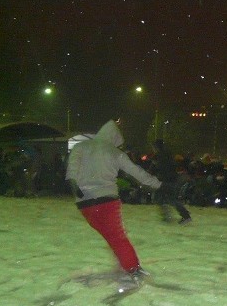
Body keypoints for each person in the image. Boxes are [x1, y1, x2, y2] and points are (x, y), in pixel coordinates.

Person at [65, 120, 162, 282]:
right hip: (107, 201)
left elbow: (72, 168)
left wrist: (73, 182)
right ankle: (133, 268)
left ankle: (124, 264)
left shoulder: (80, 147)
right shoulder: (115, 153)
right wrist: (159, 185)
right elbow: (137, 172)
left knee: (110, 236)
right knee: (117, 236)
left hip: (85, 203)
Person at [151, 139, 192, 224]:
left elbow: (160, 169)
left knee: (163, 198)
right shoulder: (168, 154)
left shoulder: (160, 156)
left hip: (166, 180)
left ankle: (173, 217)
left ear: (156, 147)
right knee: (168, 198)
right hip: (171, 179)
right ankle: (182, 216)